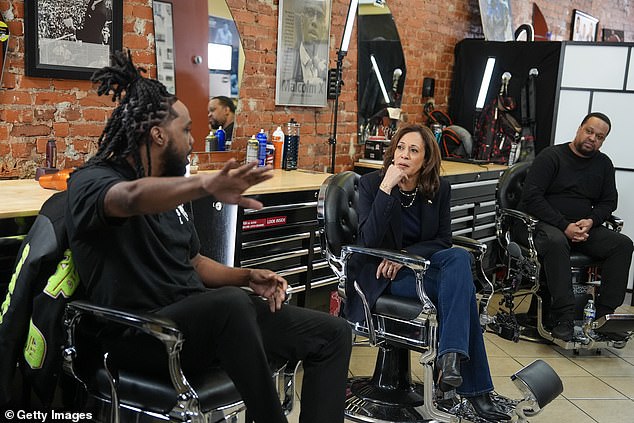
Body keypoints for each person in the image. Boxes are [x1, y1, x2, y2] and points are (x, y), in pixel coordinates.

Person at [64, 51, 352, 423]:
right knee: (230, 305)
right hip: (141, 335)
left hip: (198, 326)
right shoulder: (92, 182)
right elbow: (129, 199)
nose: (193, 137)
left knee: (332, 334)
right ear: (157, 134)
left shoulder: (172, 192)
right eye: (185, 130)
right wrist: (204, 185)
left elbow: (193, 262)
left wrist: (248, 277)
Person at [351, 123, 510, 421]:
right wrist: (387, 188)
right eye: (400, 148)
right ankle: (470, 386)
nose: (404, 155)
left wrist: (407, 256)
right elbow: (368, 240)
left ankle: (450, 362)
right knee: (462, 294)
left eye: (413, 150)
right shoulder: (372, 184)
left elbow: (442, 240)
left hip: (419, 270)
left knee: (457, 259)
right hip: (384, 277)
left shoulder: (438, 189)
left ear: (426, 160)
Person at [518, 112, 633, 342]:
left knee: (622, 245)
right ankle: (564, 317)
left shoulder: (603, 164)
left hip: (583, 227)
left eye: (599, 137)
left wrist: (590, 221)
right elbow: (532, 197)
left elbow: (609, 201)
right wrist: (564, 225)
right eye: (589, 131)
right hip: (545, 223)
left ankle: (604, 317)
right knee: (556, 241)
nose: (593, 138)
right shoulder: (551, 157)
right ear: (580, 128)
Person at [293, 0, 328, 86]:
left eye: (319, 16)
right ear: (302, 20)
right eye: (310, 13)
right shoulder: (291, 60)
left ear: (323, 29)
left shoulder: (324, 68)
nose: (314, 22)